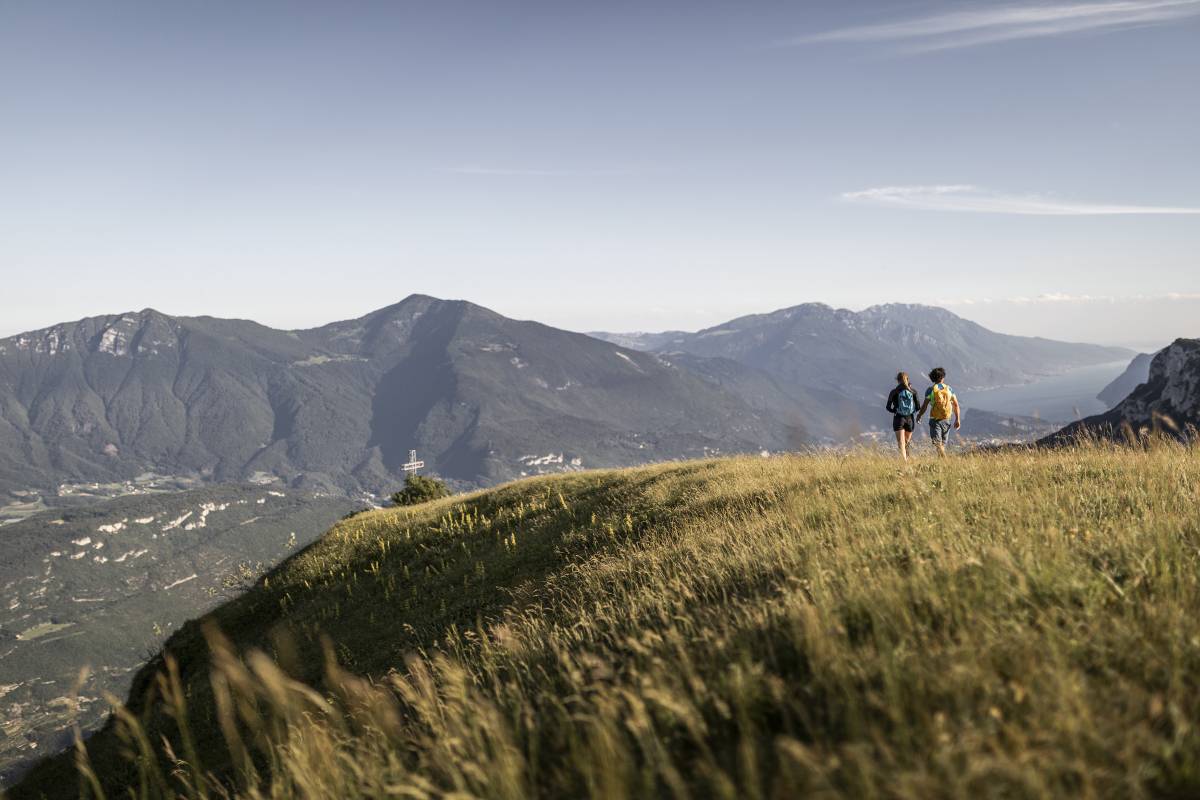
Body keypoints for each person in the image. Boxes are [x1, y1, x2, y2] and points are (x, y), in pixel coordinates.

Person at [916, 367, 961, 457]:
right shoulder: (949, 389)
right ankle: (944, 465)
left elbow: (925, 405)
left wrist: (919, 415)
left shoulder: (930, 390)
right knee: (942, 445)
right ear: (942, 377)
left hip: (935, 420)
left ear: (932, 378)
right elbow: (956, 405)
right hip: (947, 419)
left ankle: (946, 461)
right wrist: (957, 419)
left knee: (937, 444)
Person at [885, 371, 918, 462]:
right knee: (907, 443)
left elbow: (888, 407)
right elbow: (918, 407)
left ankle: (904, 462)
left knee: (901, 443)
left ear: (898, 380)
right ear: (907, 379)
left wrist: (895, 410)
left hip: (898, 418)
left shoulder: (894, 391)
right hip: (910, 419)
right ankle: (908, 459)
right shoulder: (913, 391)